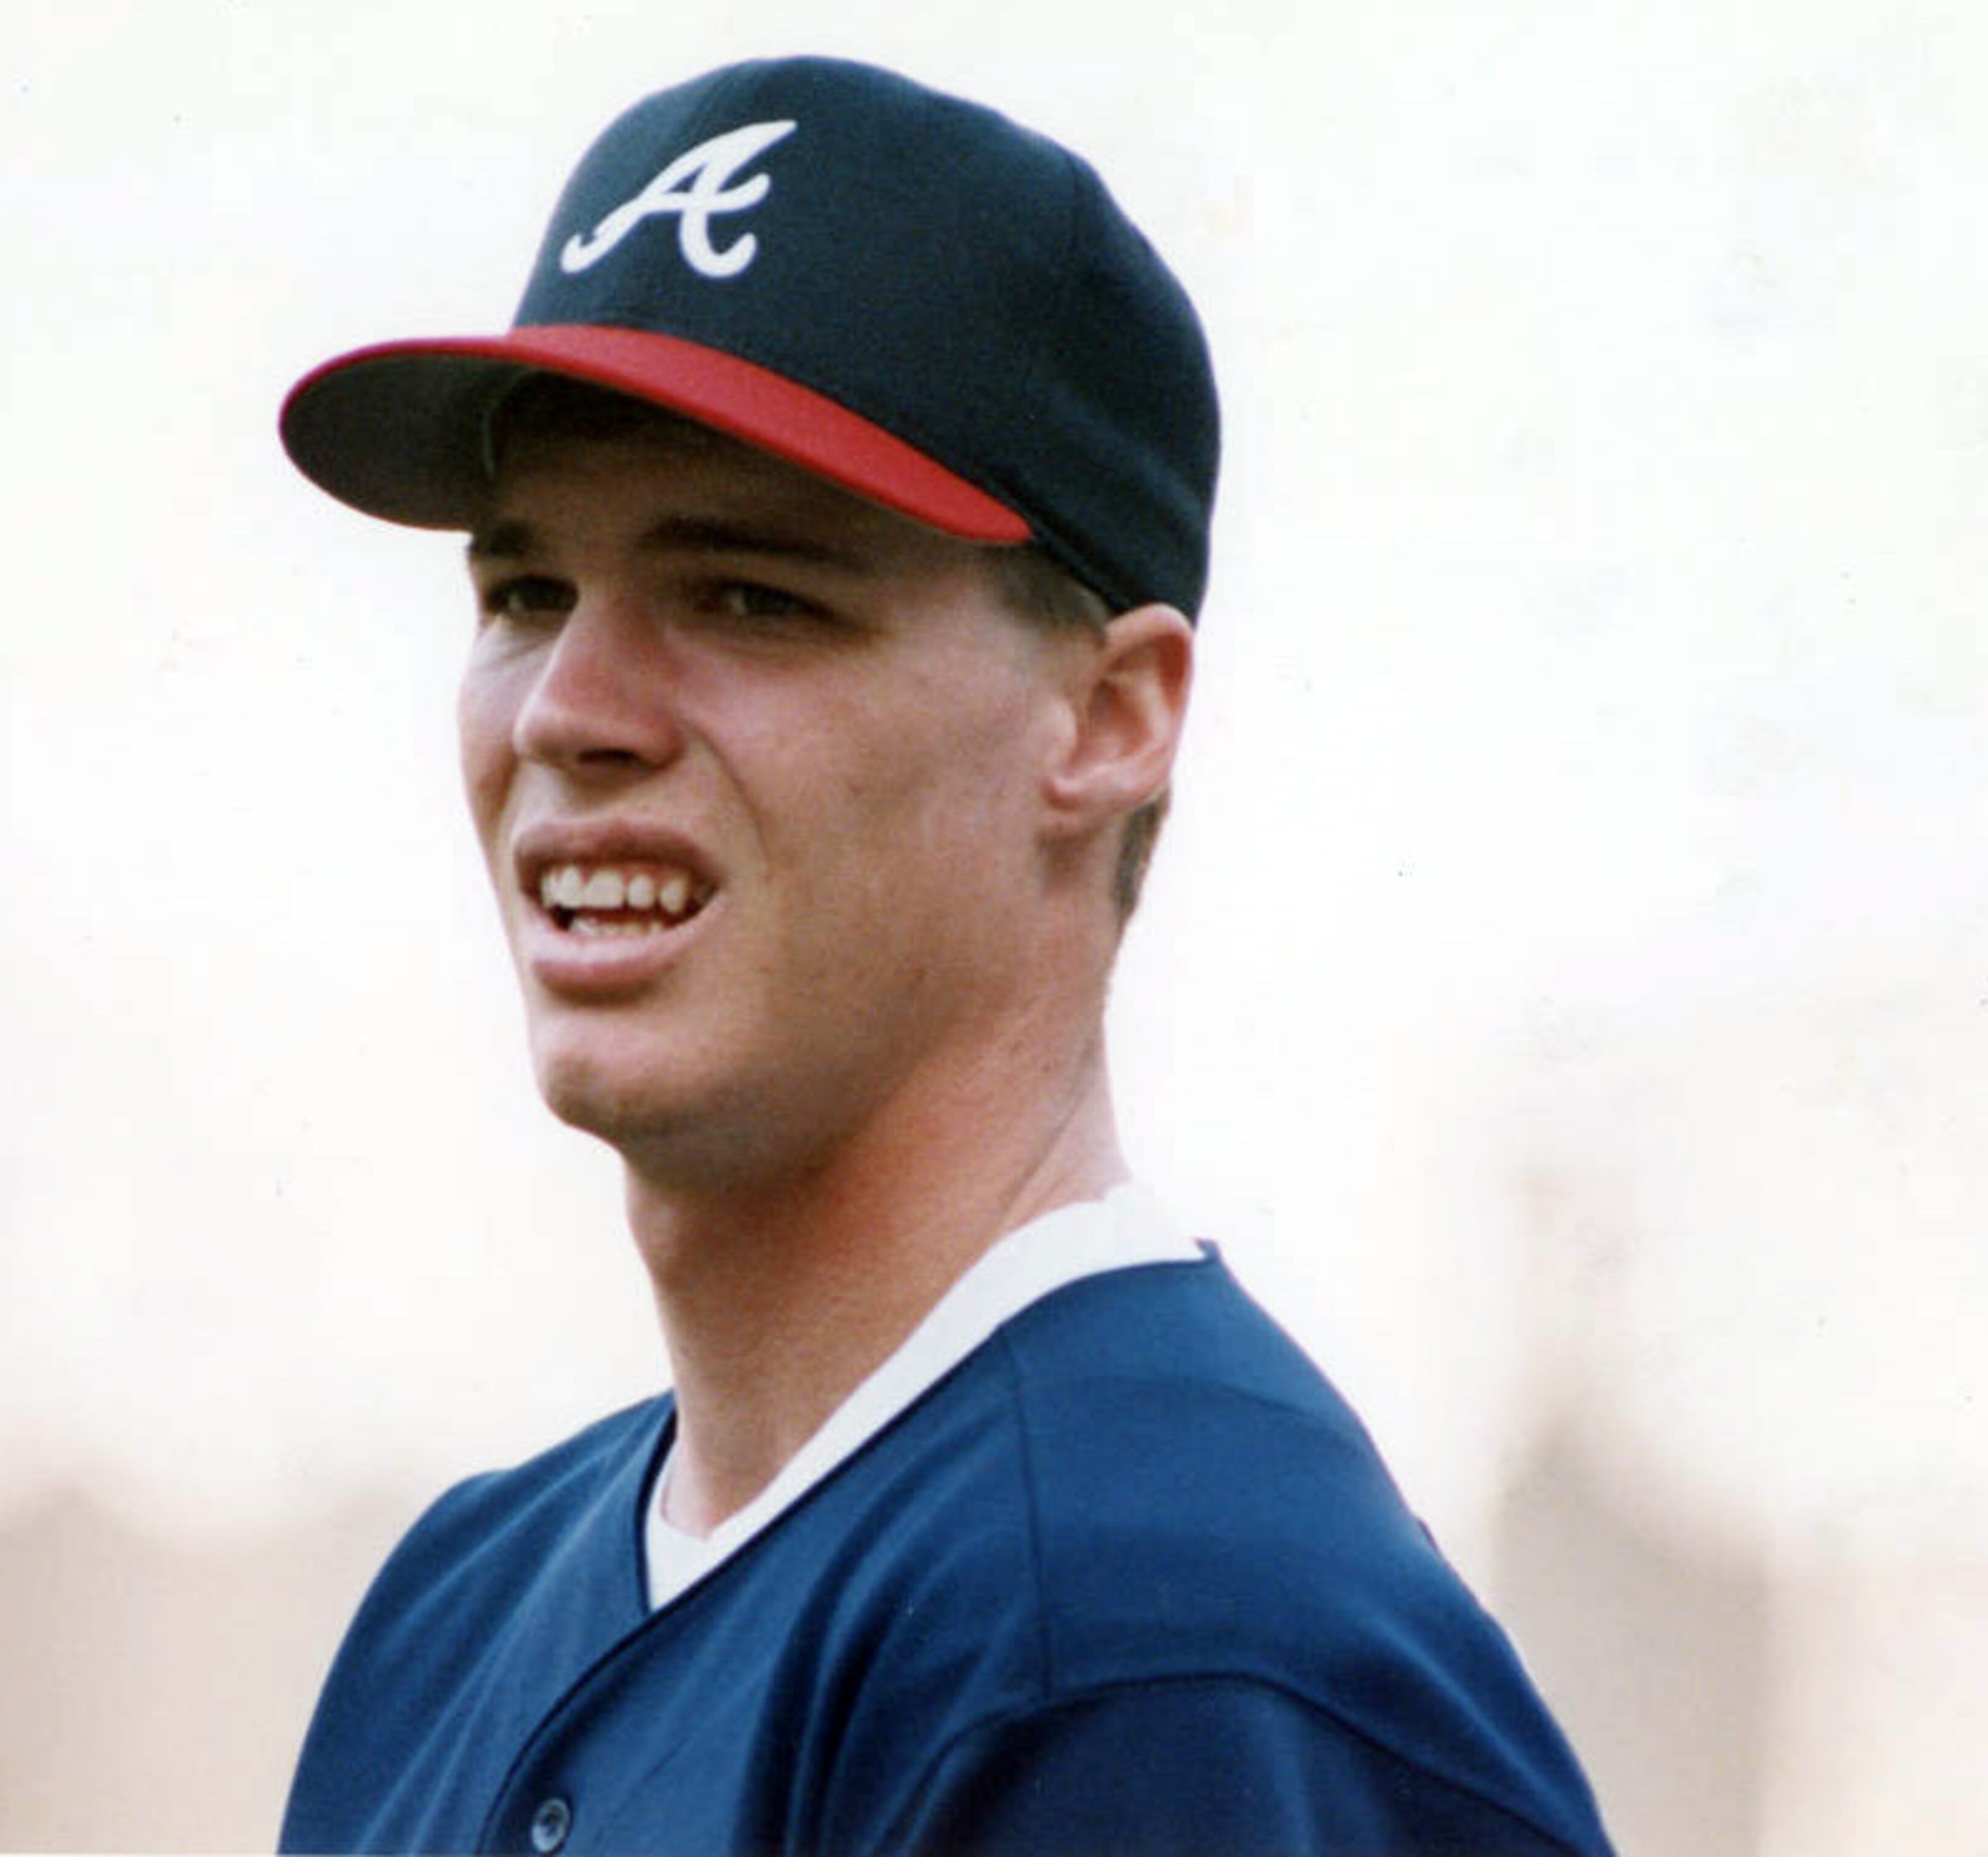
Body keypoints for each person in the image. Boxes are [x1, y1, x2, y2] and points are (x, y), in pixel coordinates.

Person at [274, 54, 1611, 1855]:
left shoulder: (1158, 1650)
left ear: (1111, 716)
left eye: (751, 591)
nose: (572, 707)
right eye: (524, 591)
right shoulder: (457, 1605)